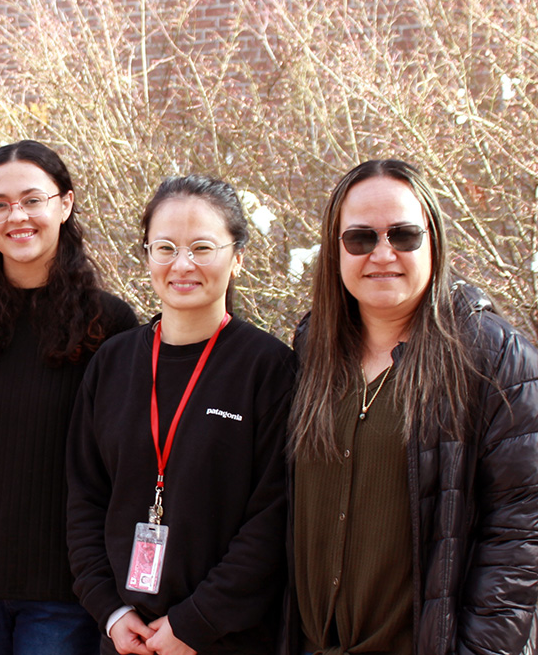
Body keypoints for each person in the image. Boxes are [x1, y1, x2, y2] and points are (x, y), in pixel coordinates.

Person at [284, 159, 538, 655]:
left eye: (403, 235)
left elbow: (519, 540)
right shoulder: (312, 348)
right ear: (335, 249)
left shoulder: (494, 356)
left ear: (434, 240)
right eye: (360, 238)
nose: (382, 254)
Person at [0, 140, 137, 654]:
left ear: (63, 204)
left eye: (32, 199)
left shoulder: (110, 325)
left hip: (66, 583)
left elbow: (117, 459)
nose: (16, 216)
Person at [67, 174, 295, 655]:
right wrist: (110, 610)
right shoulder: (113, 361)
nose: (182, 264)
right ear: (148, 255)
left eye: (203, 247)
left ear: (237, 258)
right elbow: (84, 499)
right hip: (126, 637)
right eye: (165, 247)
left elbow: (274, 516)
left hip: (226, 638)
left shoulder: (268, 367)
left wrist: (197, 621)